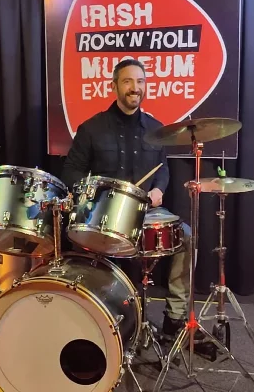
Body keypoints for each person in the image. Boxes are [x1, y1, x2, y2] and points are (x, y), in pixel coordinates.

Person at [60, 59, 192, 339]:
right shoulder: (91, 128)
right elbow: (71, 171)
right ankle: (100, 317)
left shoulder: (156, 130)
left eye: (140, 81)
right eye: (128, 81)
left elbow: (163, 169)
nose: (135, 88)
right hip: (105, 214)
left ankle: (175, 317)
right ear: (114, 86)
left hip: (144, 212)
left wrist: (158, 190)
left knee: (187, 237)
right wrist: (95, 192)